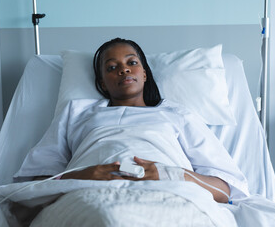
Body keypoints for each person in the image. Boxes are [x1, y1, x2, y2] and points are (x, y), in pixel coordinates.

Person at [14, 38, 249, 204]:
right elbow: (34, 185)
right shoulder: (76, 112)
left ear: (144, 74)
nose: (124, 70)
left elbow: (225, 190)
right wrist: (83, 175)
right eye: (112, 67)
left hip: (173, 193)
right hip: (88, 193)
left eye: (132, 63)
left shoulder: (178, 115)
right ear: (102, 83)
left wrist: (168, 175)